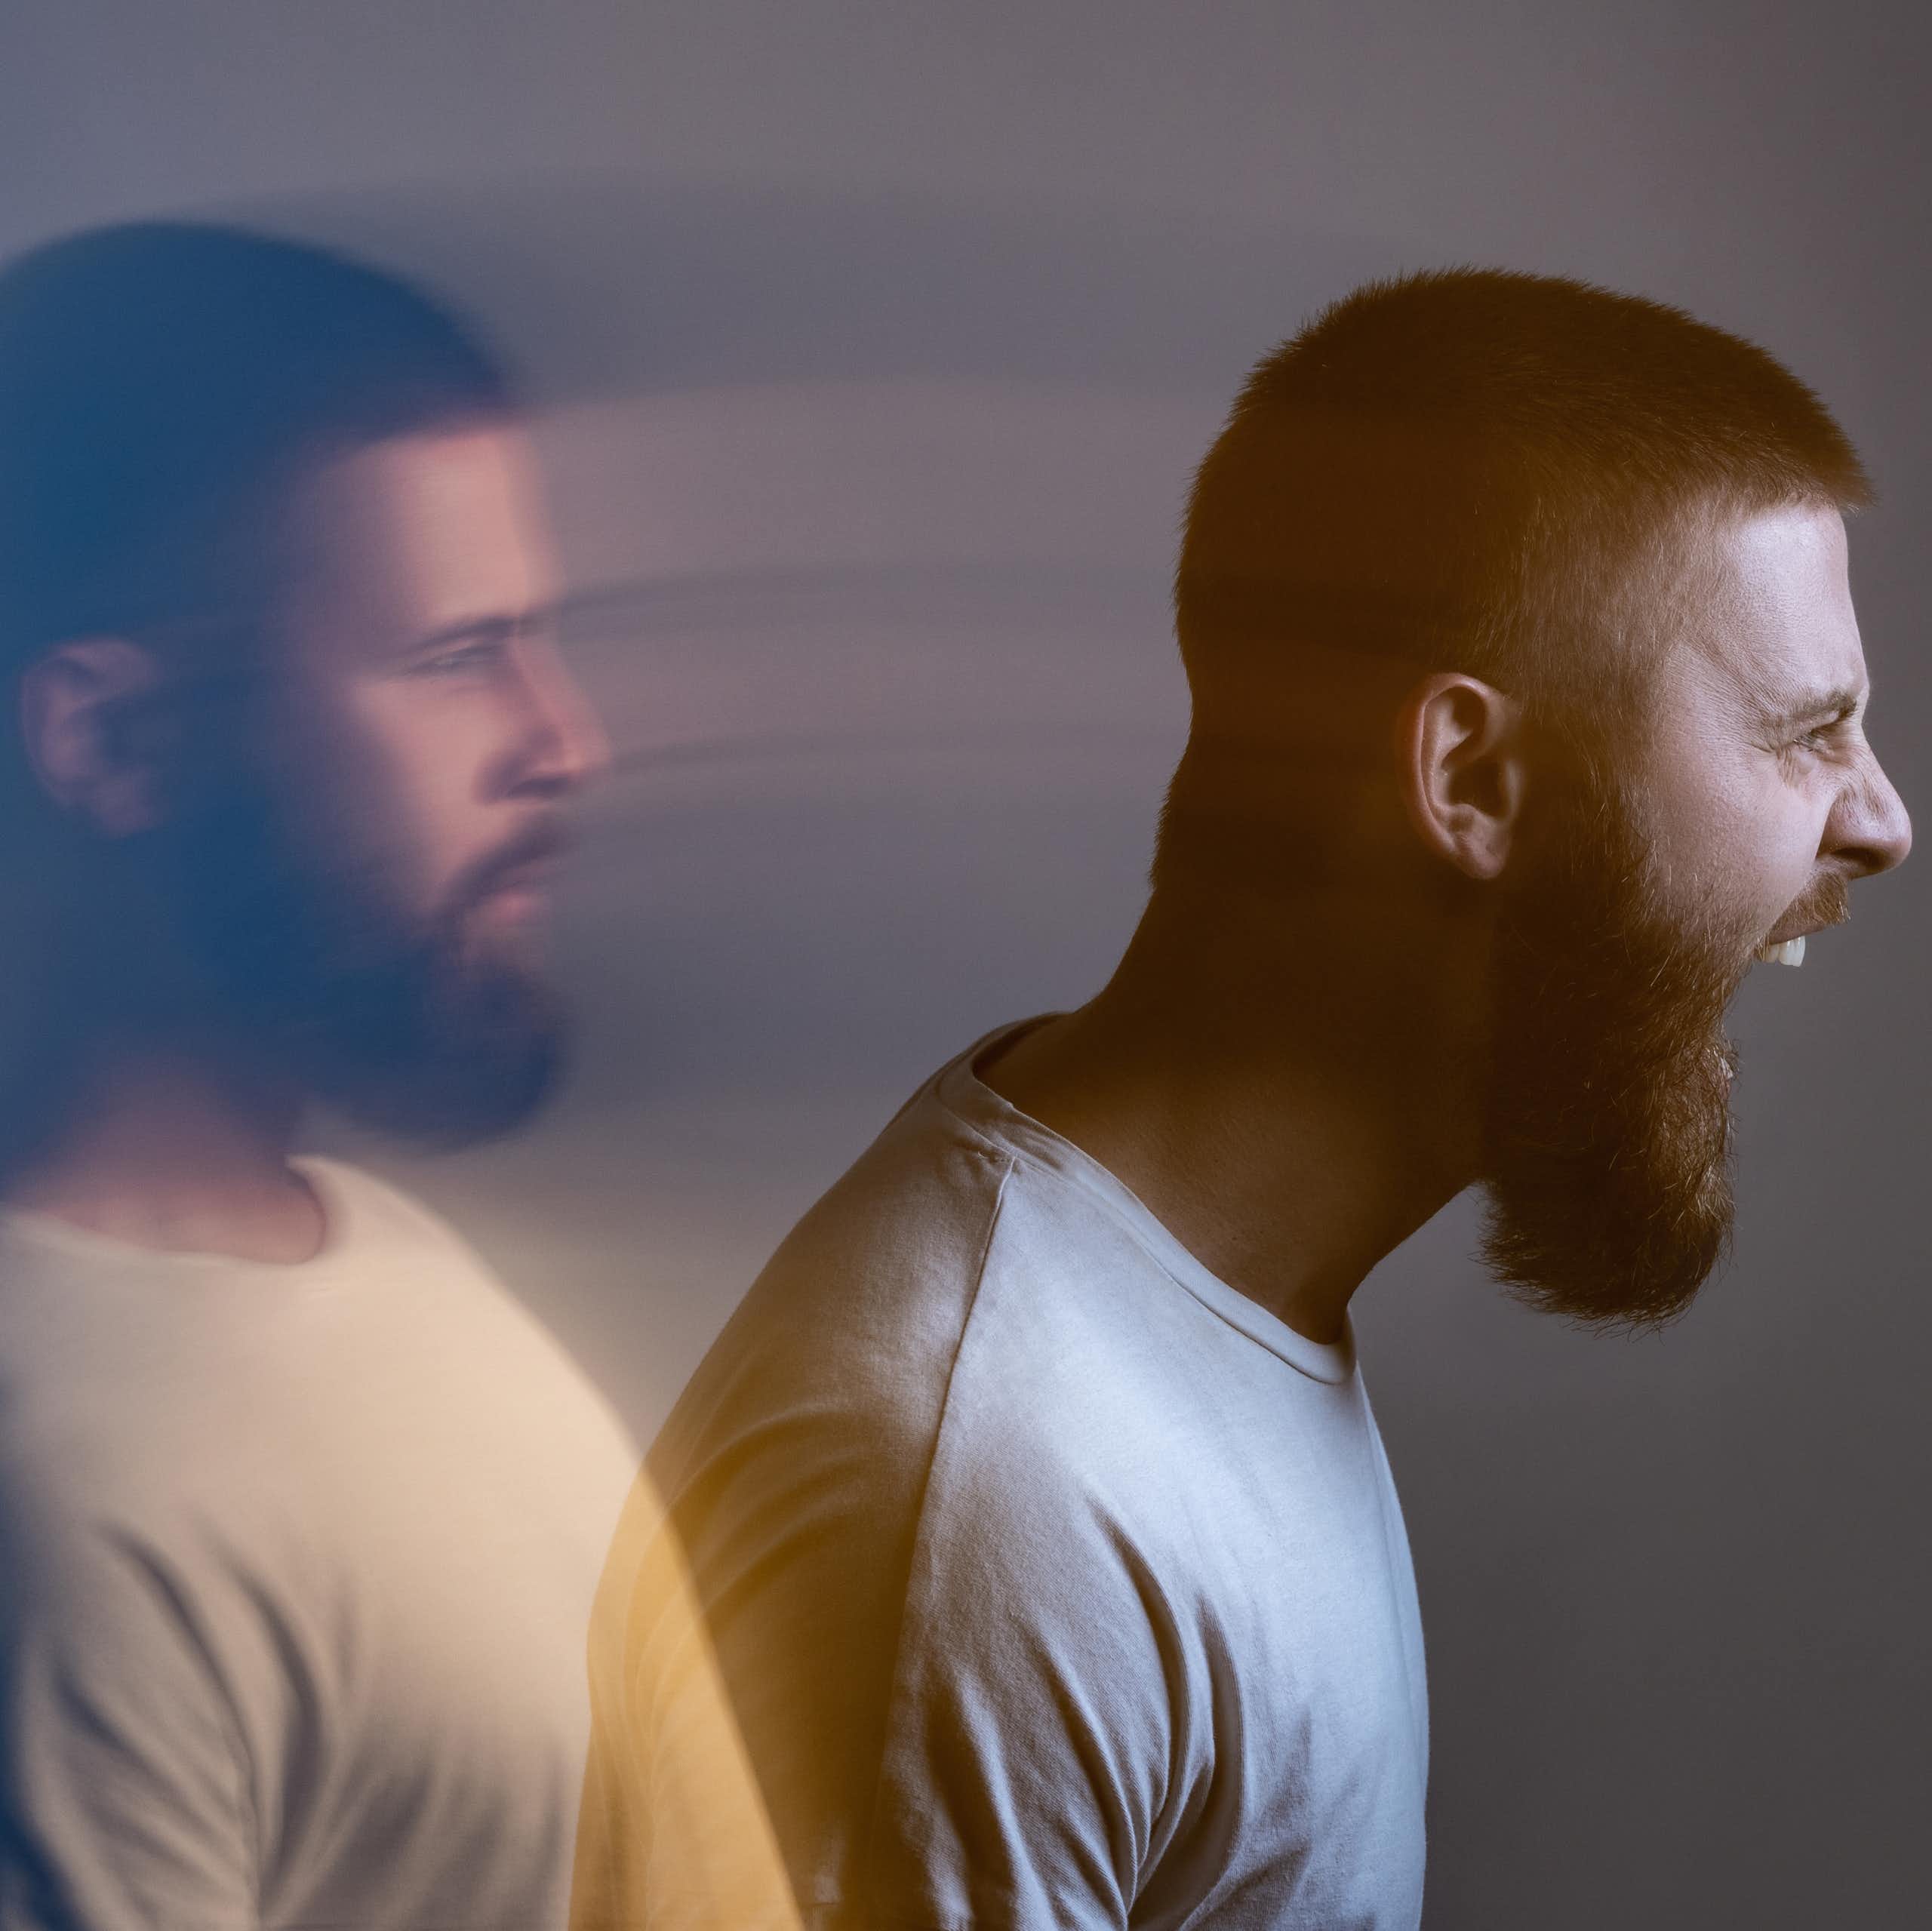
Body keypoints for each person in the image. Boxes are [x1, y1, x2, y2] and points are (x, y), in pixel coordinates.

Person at [591, 269, 1912, 1928]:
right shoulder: (996, 1494)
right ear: (1470, 782)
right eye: (1806, 730)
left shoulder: (1181, 1353)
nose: (1878, 819)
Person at [0, 221, 641, 1931]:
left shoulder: (371, 1256)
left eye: (540, 640)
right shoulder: (61, 1497)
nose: (563, 740)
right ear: (116, 744)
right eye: (455, 658)